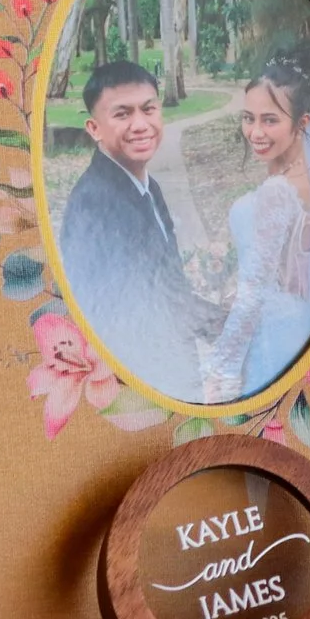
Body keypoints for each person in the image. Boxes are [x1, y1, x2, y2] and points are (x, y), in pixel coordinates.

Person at [56, 61, 223, 395]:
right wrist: (229, 326)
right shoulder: (95, 206)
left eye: (149, 109)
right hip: (142, 380)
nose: (141, 125)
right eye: (122, 114)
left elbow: (167, 283)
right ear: (94, 128)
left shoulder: (148, 187)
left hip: (173, 365)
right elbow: (133, 309)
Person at [198, 53, 310, 406]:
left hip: (274, 329)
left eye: (270, 120)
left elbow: (255, 289)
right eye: (248, 118)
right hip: (303, 326)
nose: (255, 132)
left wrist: (220, 371)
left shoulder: (279, 191)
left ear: (302, 123)